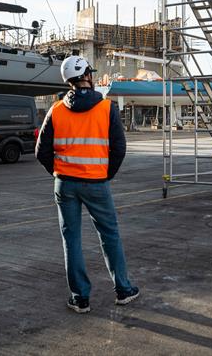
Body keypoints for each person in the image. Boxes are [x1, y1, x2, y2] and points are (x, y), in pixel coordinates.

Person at [35, 56, 139, 314]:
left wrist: (58, 173)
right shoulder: (106, 108)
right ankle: (123, 290)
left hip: (65, 185)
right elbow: (119, 149)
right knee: (109, 235)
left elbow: (41, 151)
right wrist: (104, 174)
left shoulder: (56, 110)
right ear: (88, 77)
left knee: (71, 240)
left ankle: (80, 298)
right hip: (96, 183)